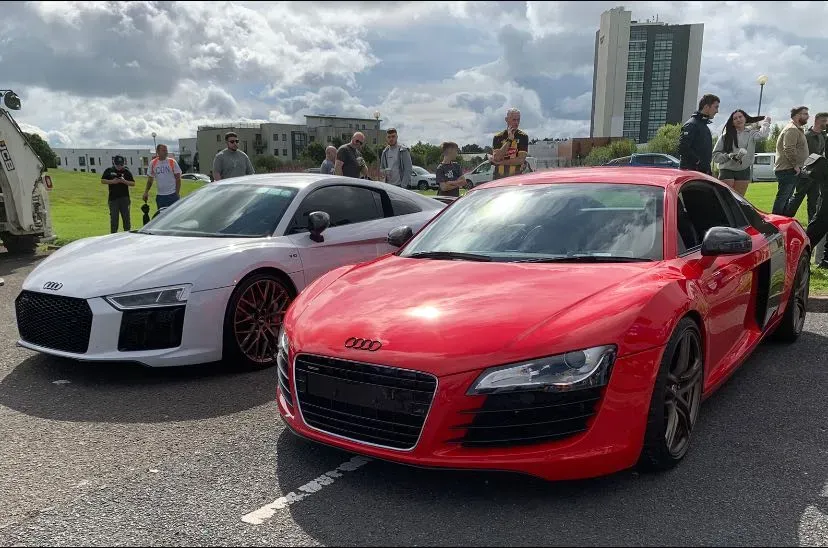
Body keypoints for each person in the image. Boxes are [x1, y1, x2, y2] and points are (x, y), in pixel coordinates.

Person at [712, 110, 770, 196]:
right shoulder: (725, 136)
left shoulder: (751, 133)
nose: (738, 120)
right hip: (727, 170)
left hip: (744, 170)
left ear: (745, 118)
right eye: (735, 118)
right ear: (732, 122)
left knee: (739, 199)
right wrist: (728, 156)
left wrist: (766, 122)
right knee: (726, 198)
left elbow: (763, 135)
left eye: (740, 117)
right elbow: (715, 155)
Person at [772, 106, 810, 215]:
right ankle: (775, 224)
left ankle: (781, 223)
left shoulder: (795, 128)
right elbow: (788, 148)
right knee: (782, 199)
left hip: (790, 169)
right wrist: (796, 165)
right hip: (788, 170)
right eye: (805, 114)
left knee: (785, 198)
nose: (808, 116)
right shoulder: (792, 129)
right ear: (797, 115)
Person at [678, 94, 719, 175]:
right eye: (716, 107)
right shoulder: (692, 124)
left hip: (701, 173)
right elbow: (682, 148)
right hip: (692, 174)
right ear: (707, 107)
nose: (717, 111)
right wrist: (698, 162)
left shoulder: (703, 126)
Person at [491, 108, 529, 180]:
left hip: (516, 178)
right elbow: (497, 157)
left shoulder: (523, 136)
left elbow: (520, 160)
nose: (516, 123)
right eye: (514, 120)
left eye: (518, 120)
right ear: (506, 120)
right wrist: (509, 140)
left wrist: (500, 162)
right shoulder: (498, 137)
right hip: (499, 178)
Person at [101, 155, 135, 233]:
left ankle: (127, 235)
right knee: (114, 219)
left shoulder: (126, 171)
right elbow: (103, 180)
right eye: (117, 164)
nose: (119, 166)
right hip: (113, 199)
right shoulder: (109, 170)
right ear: (114, 163)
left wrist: (124, 181)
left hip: (124, 198)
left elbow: (133, 183)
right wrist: (113, 182)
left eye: (121, 164)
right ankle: (113, 235)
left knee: (126, 219)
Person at [143, 143, 183, 210]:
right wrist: (146, 192)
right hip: (160, 196)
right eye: (163, 150)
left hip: (172, 195)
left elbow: (178, 179)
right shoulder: (153, 163)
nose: (166, 152)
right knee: (162, 217)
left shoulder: (172, 162)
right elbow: (150, 180)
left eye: (166, 150)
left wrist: (177, 193)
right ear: (158, 152)